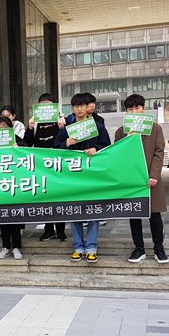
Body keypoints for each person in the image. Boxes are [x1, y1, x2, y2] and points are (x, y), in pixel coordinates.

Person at [54, 93, 111, 263]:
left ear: (88, 107)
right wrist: (66, 144)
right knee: (74, 211)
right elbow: (53, 150)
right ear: (72, 108)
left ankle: (91, 247)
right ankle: (78, 246)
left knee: (93, 210)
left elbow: (108, 148)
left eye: (82, 106)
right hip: (72, 177)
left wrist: (96, 149)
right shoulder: (65, 130)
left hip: (92, 177)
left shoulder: (99, 127)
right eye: (76, 106)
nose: (79, 109)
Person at [114, 94, 169, 264]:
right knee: (134, 215)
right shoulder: (121, 131)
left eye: (137, 108)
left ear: (143, 108)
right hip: (132, 180)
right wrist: (129, 139)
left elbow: (159, 153)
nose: (134, 112)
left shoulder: (155, 128)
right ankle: (139, 248)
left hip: (151, 179)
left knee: (155, 215)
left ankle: (159, 248)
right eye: (130, 109)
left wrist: (154, 175)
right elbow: (117, 155)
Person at [24, 93, 66, 242]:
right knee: (46, 198)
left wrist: (62, 127)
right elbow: (27, 144)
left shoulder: (62, 120)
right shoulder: (35, 123)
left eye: (48, 105)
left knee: (59, 198)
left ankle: (61, 230)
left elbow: (66, 143)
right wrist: (29, 127)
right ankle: (49, 230)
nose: (45, 108)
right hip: (42, 167)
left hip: (58, 166)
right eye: (42, 105)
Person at [0, 116, 26, 260]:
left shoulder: (17, 139)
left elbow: (28, 154)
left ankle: (17, 247)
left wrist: (17, 148)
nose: (3, 131)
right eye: (0, 128)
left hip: (15, 184)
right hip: (0, 185)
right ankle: (5, 247)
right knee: (3, 218)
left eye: (6, 128)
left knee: (16, 218)